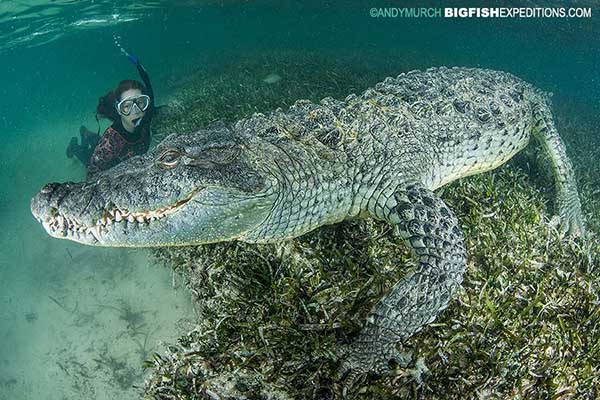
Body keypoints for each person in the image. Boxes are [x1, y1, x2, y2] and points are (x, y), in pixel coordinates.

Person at [66, 54, 155, 176]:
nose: (136, 111)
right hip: (102, 158)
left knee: (98, 145)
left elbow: (148, 86)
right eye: (127, 106)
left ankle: (86, 133)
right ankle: (74, 145)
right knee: (87, 158)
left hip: (107, 149)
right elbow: (92, 173)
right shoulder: (108, 144)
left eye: (140, 102)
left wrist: (138, 64)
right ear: (119, 110)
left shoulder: (147, 114)